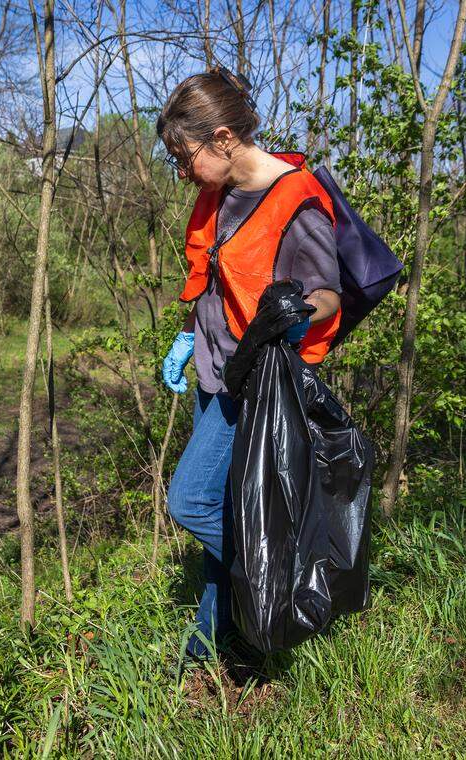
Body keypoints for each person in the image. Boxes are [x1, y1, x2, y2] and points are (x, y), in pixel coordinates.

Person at [157, 69, 343, 660]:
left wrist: (290, 316)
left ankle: (272, 578)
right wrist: (187, 338)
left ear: (221, 139)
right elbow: (212, 277)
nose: (182, 173)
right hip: (210, 369)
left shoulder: (296, 198)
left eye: (184, 158)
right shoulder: (216, 194)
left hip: (254, 380)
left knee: (189, 502)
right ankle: (214, 643)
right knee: (230, 506)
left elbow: (329, 295)